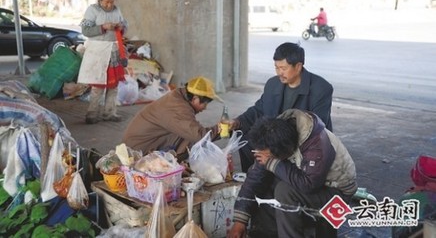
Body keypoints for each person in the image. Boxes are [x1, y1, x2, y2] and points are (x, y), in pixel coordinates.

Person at [228, 109, 357, 238]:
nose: (266, 157)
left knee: (285, 191)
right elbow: (255, 178)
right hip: (308, 180)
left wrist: (273, 164)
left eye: (270, 156)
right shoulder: (273, 135)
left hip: (337, 193)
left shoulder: (317, 145)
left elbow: (309, 185)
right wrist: (240, 222)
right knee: (264, 181)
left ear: (284, 151)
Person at [230, 42, 333, 172]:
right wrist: (237, 121)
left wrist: (275, 149)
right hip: (276, 138)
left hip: (304, 143)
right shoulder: (273, 84)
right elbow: (259, 109)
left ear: (298, 66)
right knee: (245, 139)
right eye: (276, 68)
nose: (279, 73)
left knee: (279, 170)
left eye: (283, 68)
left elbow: (314, 129)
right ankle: (251, 180)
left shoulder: (321, 89)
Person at [123, 76, 222, 161]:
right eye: (204, 104)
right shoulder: (179, 108)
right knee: (191, 138)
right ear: (195, 99)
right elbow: (199, 136)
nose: (205, 108)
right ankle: (175, 165)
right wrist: (221, 128)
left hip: (143, 141)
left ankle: (179, 162)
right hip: (137, 150)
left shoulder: (179, 96)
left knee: (188, 133)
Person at [78, 0, 128, 124]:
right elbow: (85, 30)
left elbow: (125, 26)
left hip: (113, 50)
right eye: (106, 2)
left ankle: (110, 112)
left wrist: (120, 26)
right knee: (98, 84)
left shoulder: (117, 10)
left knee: (113, 85)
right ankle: (92, 114)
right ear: (100, 0)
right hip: (98, 52)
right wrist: (103, 27)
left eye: (112, 2)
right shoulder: (92, 10)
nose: (109, 5)